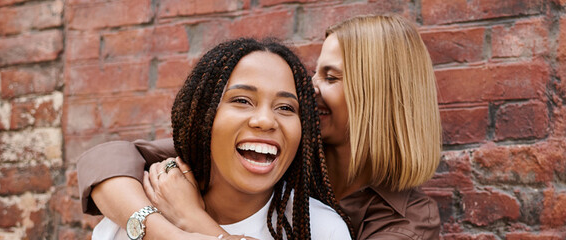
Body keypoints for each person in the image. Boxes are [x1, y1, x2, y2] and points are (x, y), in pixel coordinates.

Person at [78, 14, 442, 240]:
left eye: (330, 77)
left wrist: (194, 221)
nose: (310, 88)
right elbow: (108, 161)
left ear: (379, 97)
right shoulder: (274, 150)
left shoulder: (405, 222)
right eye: (314, 72)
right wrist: (161, 231)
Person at [84, 38, 351, 240]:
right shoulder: (136, 210)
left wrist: (194, 223)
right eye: (242, 100)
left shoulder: (321, 229)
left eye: (285, 107)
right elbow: (103, 158)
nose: (266, 121)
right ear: (203, 117)